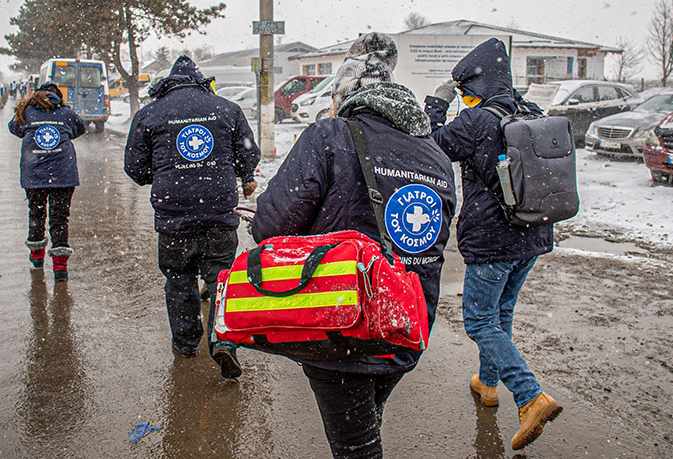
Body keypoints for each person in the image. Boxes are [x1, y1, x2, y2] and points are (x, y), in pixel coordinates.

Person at [251, 33, 457, 459]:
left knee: (356, 446)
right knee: (366, 419)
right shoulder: (435, 155)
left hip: (342, 322)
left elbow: (271, 227)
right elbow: (436, 237)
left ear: (347, 95)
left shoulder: (329, 136)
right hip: (406, 322)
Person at [423, 37, 561, 451]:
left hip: (493, 240)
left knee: (479, 321)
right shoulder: (530, 112)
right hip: (533, 233)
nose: (465, 100)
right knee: (500, 315)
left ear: (475, 89)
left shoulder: (478, 121)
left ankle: (529, 396)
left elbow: (432, 145)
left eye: (466, 93)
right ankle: (487, 383)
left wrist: (436, 103)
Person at [124, 55, 259, 379]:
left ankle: (185, 343)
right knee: (221, 279)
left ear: (168, 83)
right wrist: (240, 173)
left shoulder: (150, 113)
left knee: (179, 279)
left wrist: (162, 175)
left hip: (174, 216)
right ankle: (223, 339)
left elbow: (134, 167)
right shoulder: (227, 109)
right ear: (201, 81)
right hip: (217, 212)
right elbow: (249, 154)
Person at [8, 82, 86, 282]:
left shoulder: (27, 111)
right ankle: (60, 268)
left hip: (34, 174)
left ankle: (36, 260)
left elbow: (14, 128)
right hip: (63, 174)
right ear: (57, 96)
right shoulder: (66, 113)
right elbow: (79, 129)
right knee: (60, 218)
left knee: (36, 214)